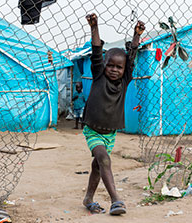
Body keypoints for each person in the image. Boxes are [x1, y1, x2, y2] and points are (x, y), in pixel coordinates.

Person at [82, 13, 145, 215]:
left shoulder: (125, 81)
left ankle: (88, 198)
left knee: (98, 166)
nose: (114, 70)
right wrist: (94, 27)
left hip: (110, 133)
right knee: (104, 159)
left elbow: (132, 57)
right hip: (93, 130)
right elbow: (96, 52)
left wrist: (136, 36)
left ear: (124, 70)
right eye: (110, 65)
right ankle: (116, 200)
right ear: (104, 64)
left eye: (119, 67)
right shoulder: (99, 75)